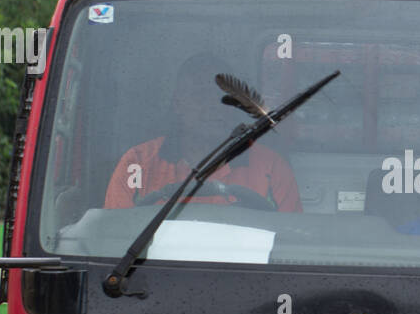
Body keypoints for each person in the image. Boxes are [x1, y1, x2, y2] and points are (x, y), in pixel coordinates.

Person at [104, 52, 301, 211]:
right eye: (200, 95)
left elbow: (291, 241)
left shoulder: (271, 167)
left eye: (225, 97)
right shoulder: (138, 163)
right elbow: (115, 242)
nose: (214, 106)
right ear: (177, 105)